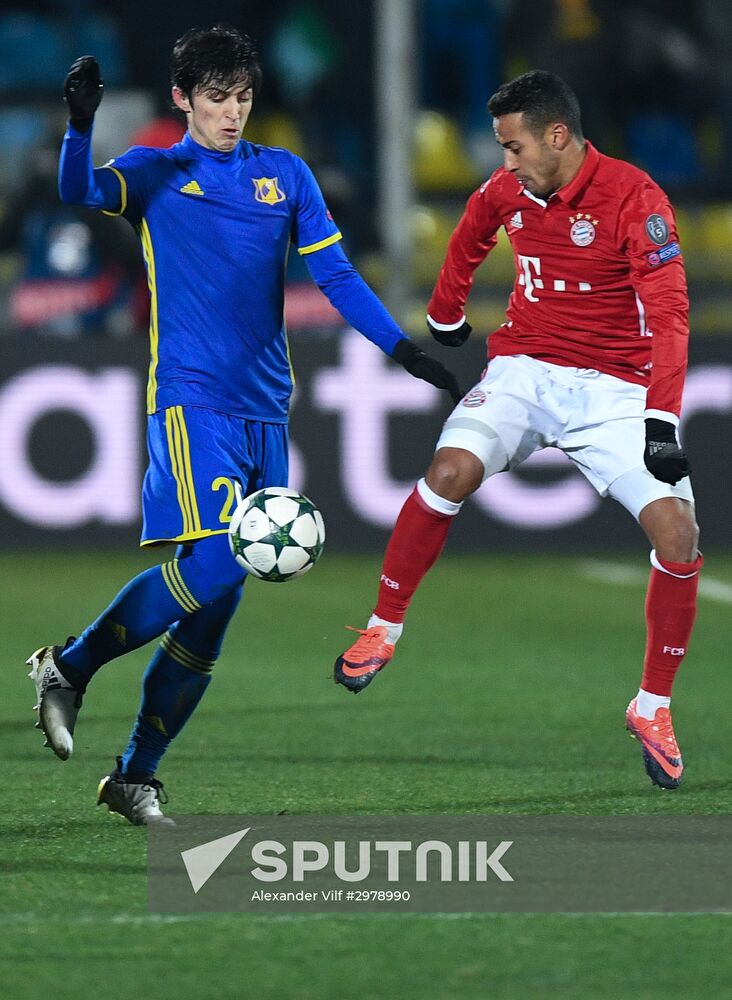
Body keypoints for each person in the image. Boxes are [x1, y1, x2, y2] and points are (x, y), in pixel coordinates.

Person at [28, 24, 461, 825]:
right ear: (182, 99)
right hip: (193, 402)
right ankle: (71, 665)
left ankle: (134, 775)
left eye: (244, 97)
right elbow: (80, 193)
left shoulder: (283, 175)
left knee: (217, 606)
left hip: (268, 407)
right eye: (218, 98)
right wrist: (80, 127)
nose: (233, 113)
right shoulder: (158, 173)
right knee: (227, 562)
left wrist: (402, 348)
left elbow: (332, 272)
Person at [334, 70, 701, 792]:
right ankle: (384, 624)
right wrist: (445, 314)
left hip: (618, 391)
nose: (504, 163)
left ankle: (651, 707)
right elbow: (470, 234)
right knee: (447, 475)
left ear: (556, 136)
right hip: (525, 369)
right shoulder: (510, 190)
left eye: (513, 146)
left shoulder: (637, 199)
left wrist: (661, 419)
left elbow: (670, 317)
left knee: (679, 538)